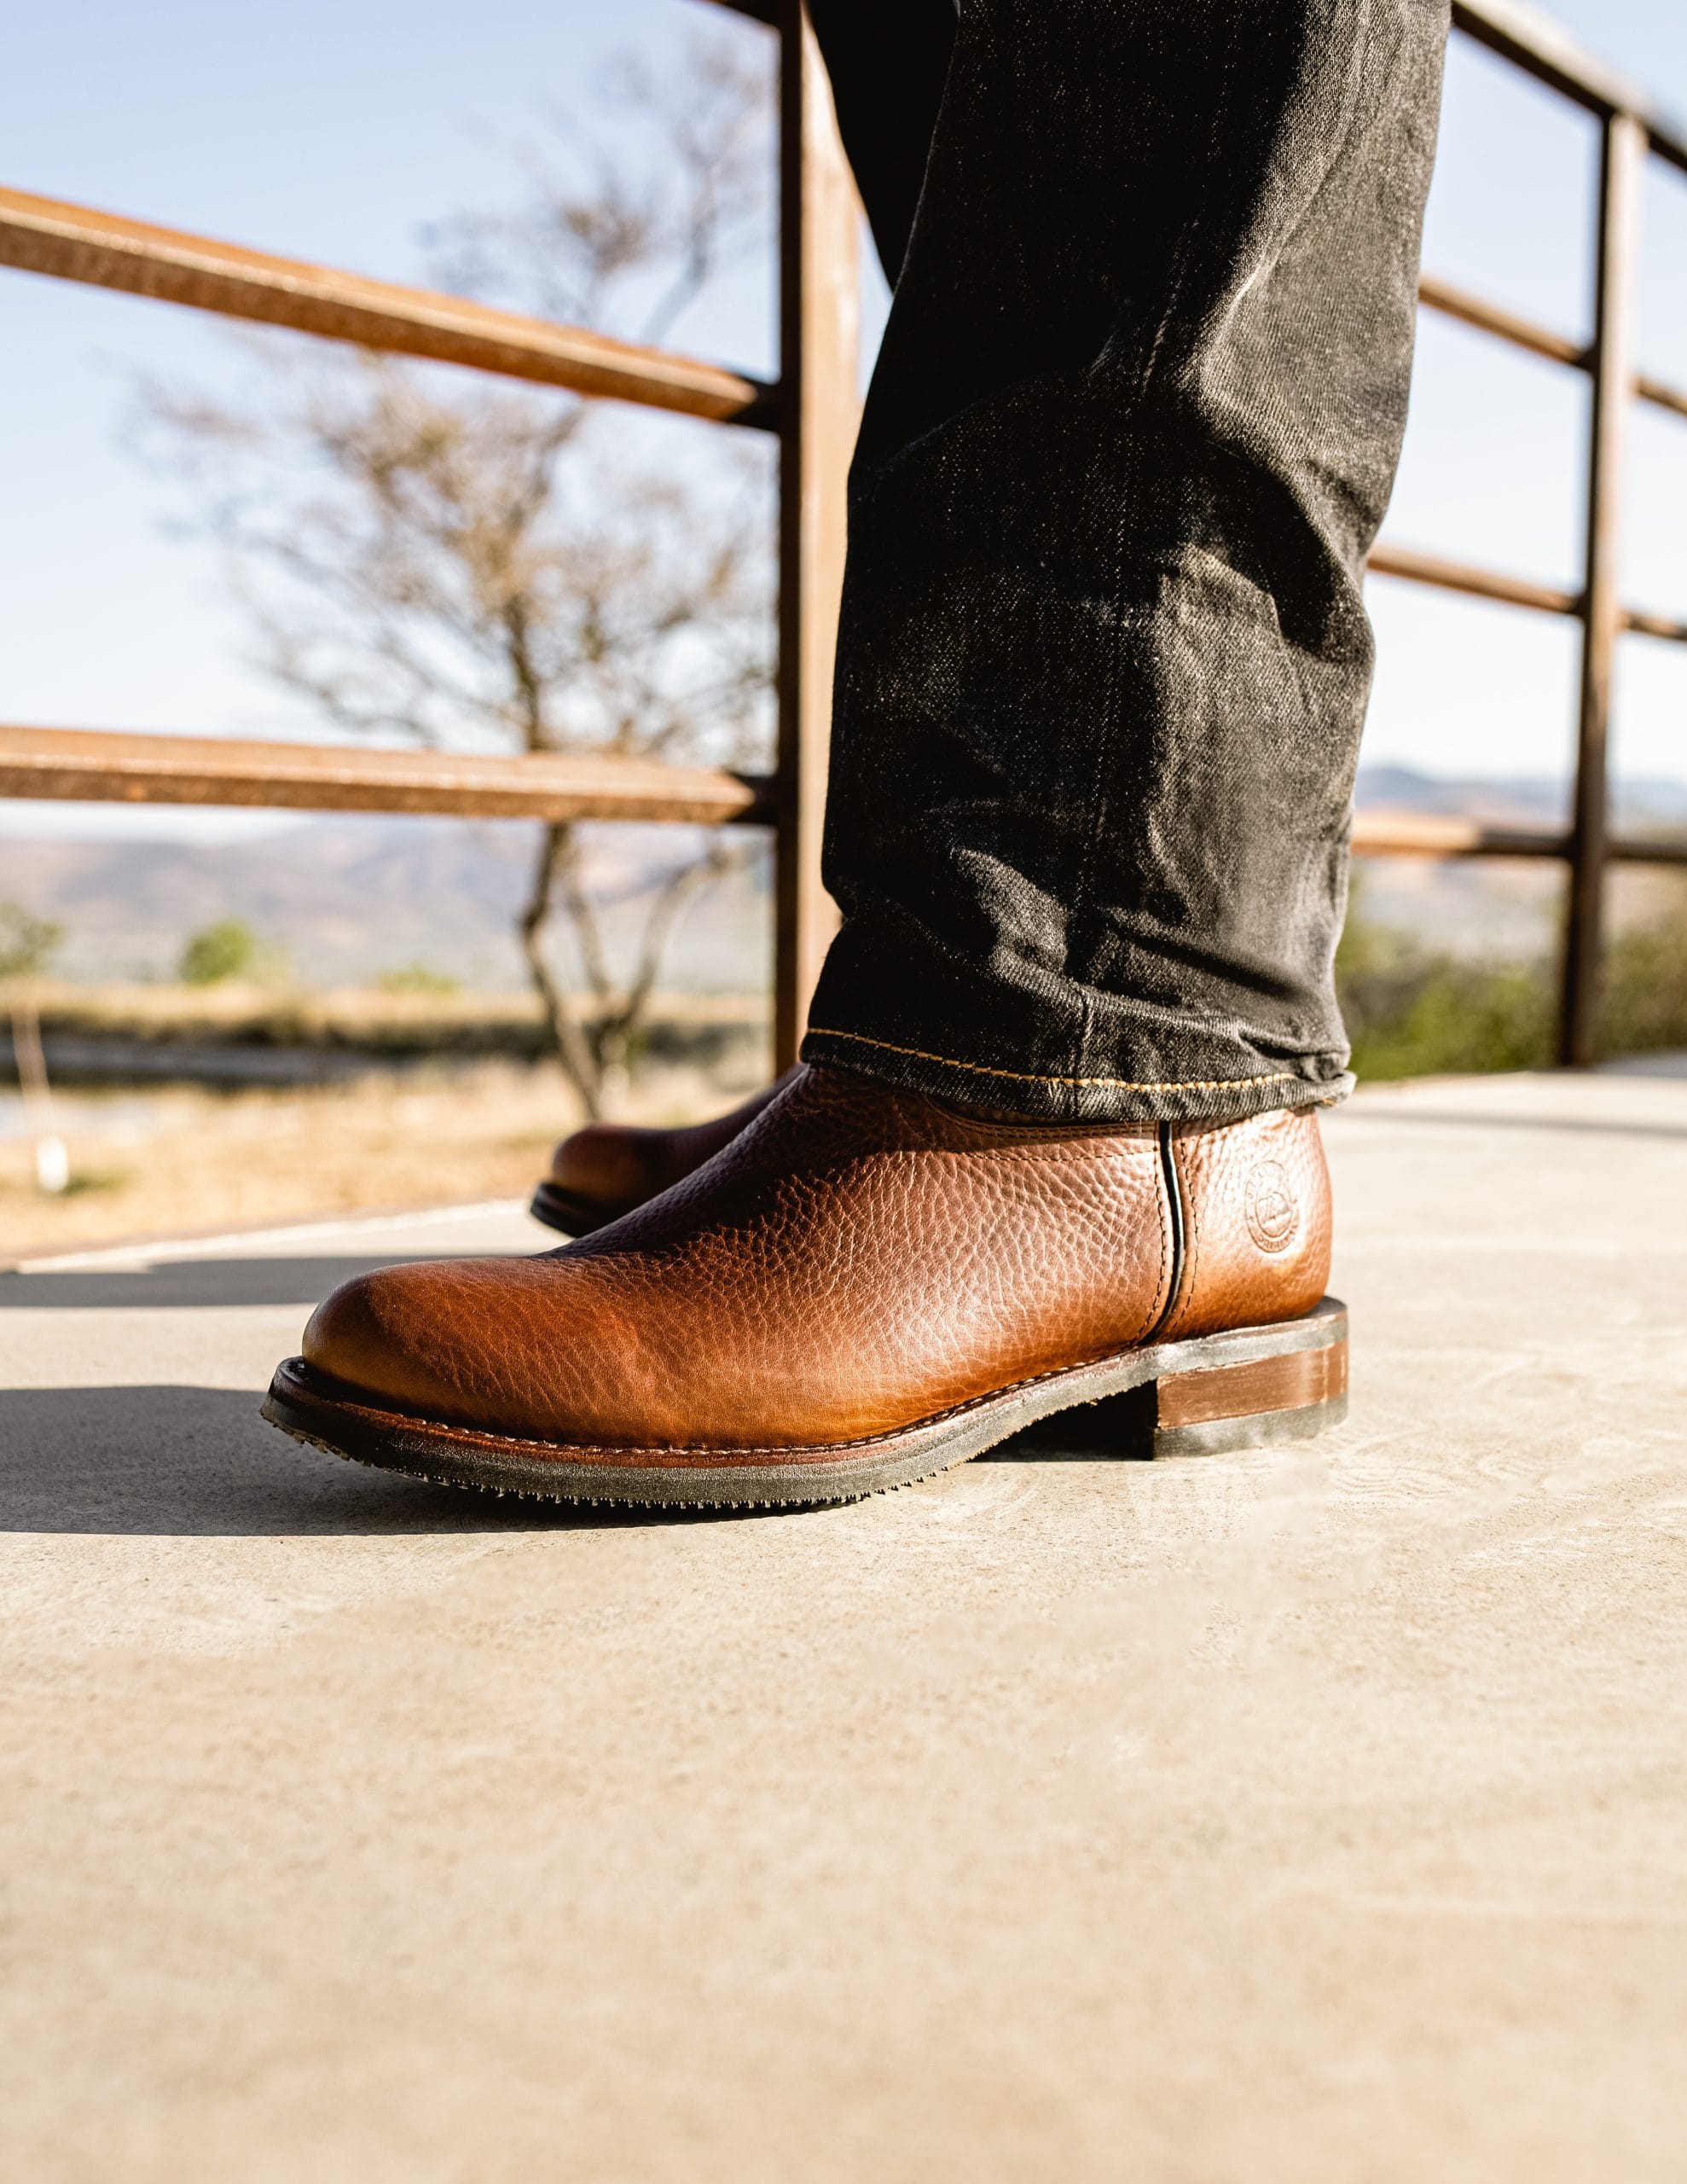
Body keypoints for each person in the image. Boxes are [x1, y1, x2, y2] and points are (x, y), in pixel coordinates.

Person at [264, 0, 1448, 1506]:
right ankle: (964, 1008)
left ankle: (1094, 1051)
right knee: (987, 109)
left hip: (1104, 1077)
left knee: (1160, 115)